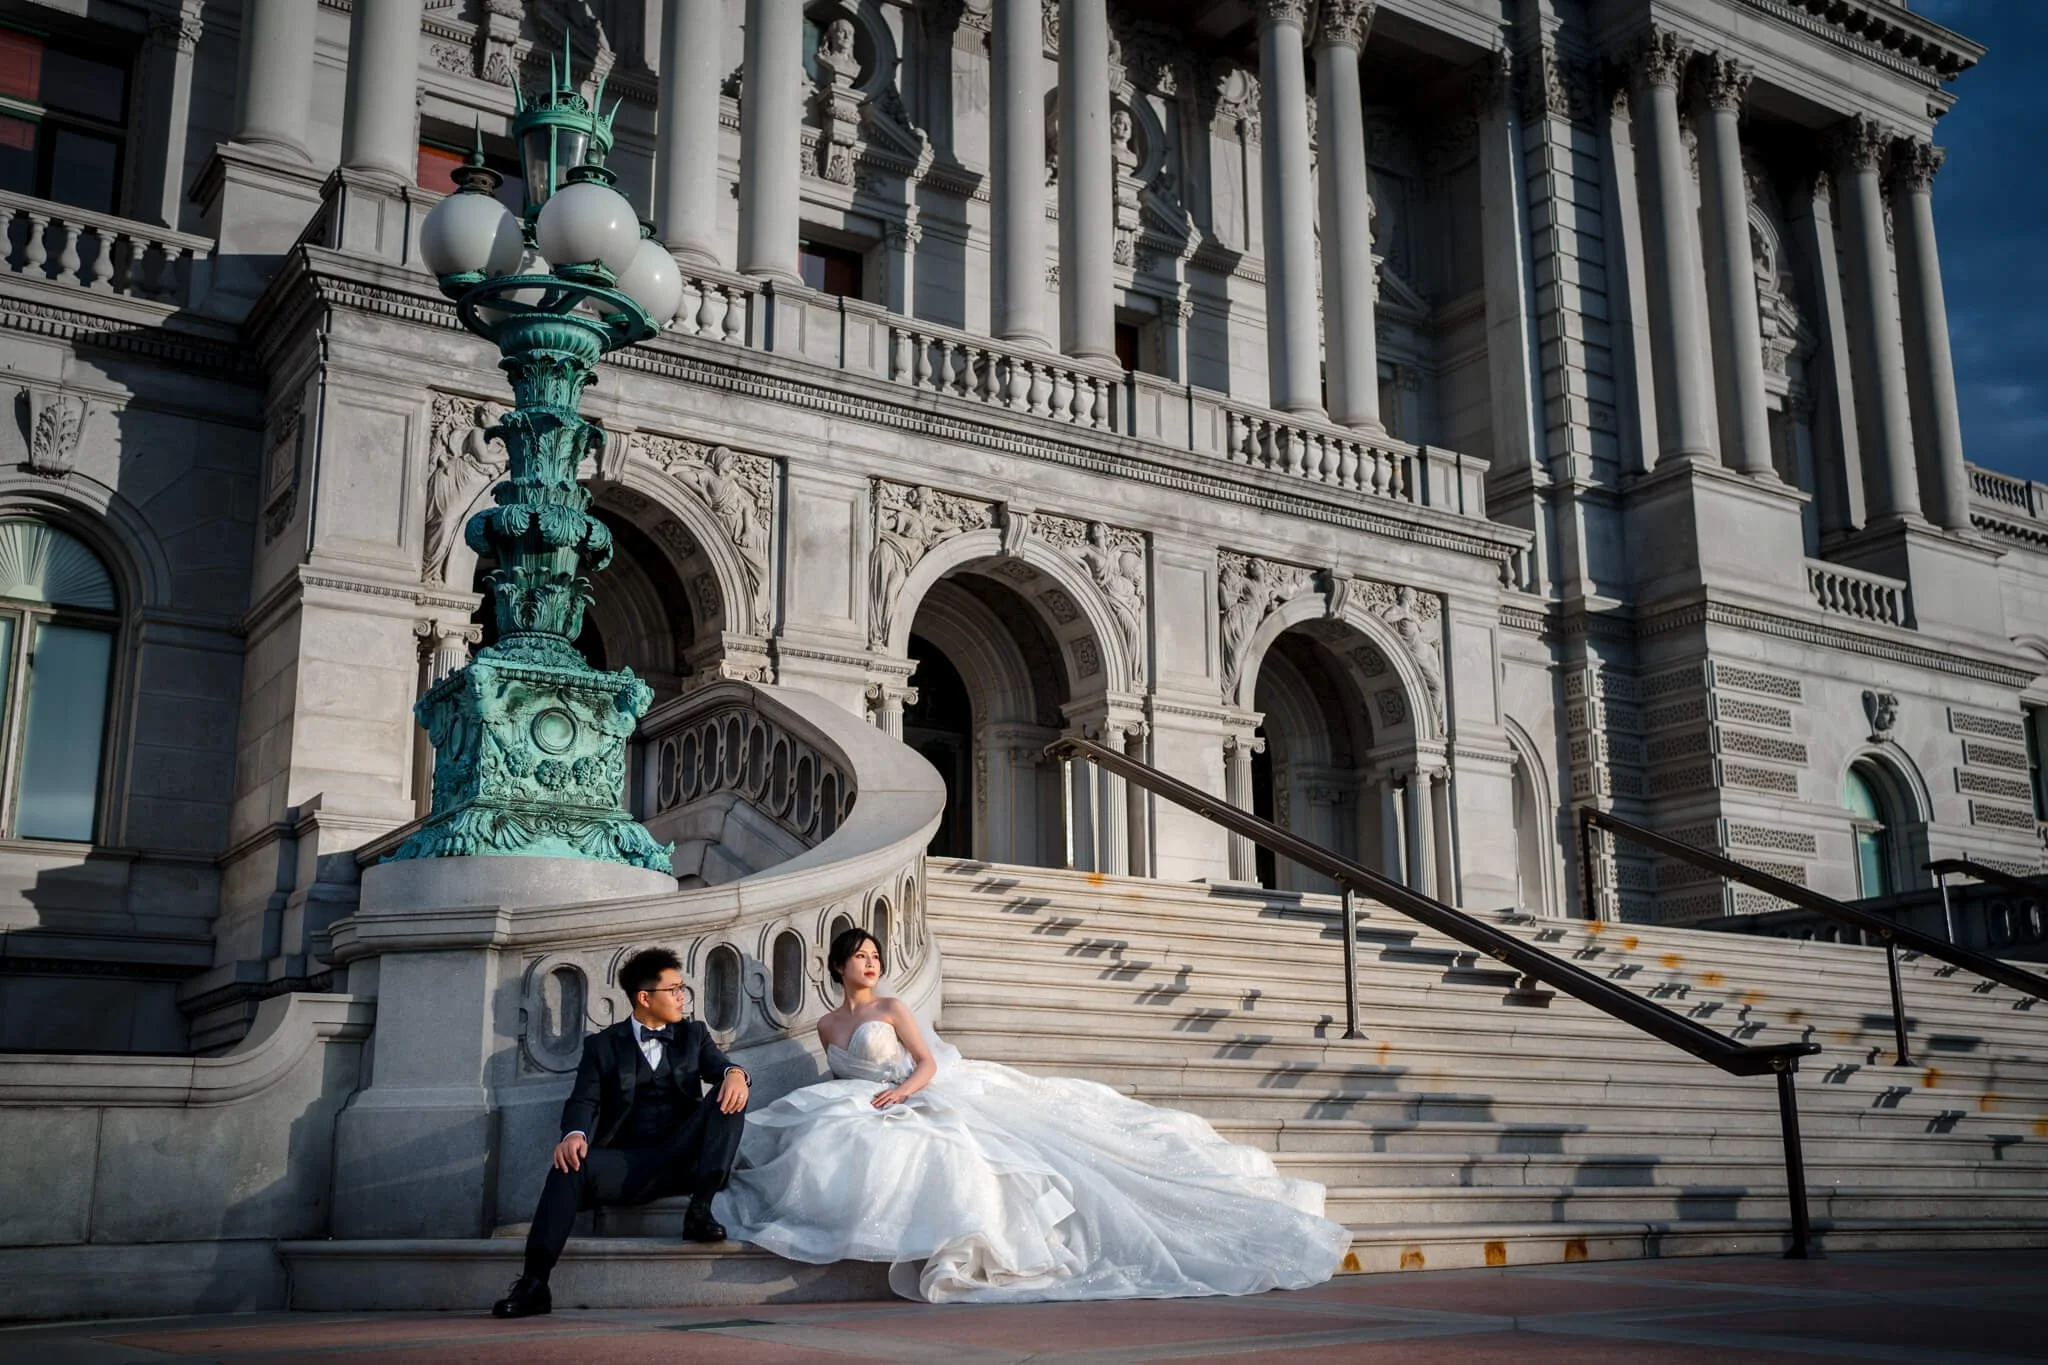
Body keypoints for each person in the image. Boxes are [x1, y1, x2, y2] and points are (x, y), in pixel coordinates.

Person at [714, 928, 1351, 1303]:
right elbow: (841, 1074)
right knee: (819, 1140)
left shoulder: (892, 1009)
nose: (873, 963)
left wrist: (903, 1094)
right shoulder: (827, 1023)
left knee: (948, 1149)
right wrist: (866, 1098)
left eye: (877, 955)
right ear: (839, 966)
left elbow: (927, 1065)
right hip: (864, 1102)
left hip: (912, 1093)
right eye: (861, 957)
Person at [492, 947, 750, 1319]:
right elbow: (583, 1100)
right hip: (630, 1165)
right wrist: (574, 1134)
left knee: (731, 1095)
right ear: (645, 997)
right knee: (569, 1166)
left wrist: (736, 1073)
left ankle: (701, 1208)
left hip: (685, 1158)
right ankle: (535, 1283)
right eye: (673, 989)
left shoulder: (694, 1034)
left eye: (682, 989)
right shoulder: (603, 1045)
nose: (682, 997)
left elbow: (720, 1066)